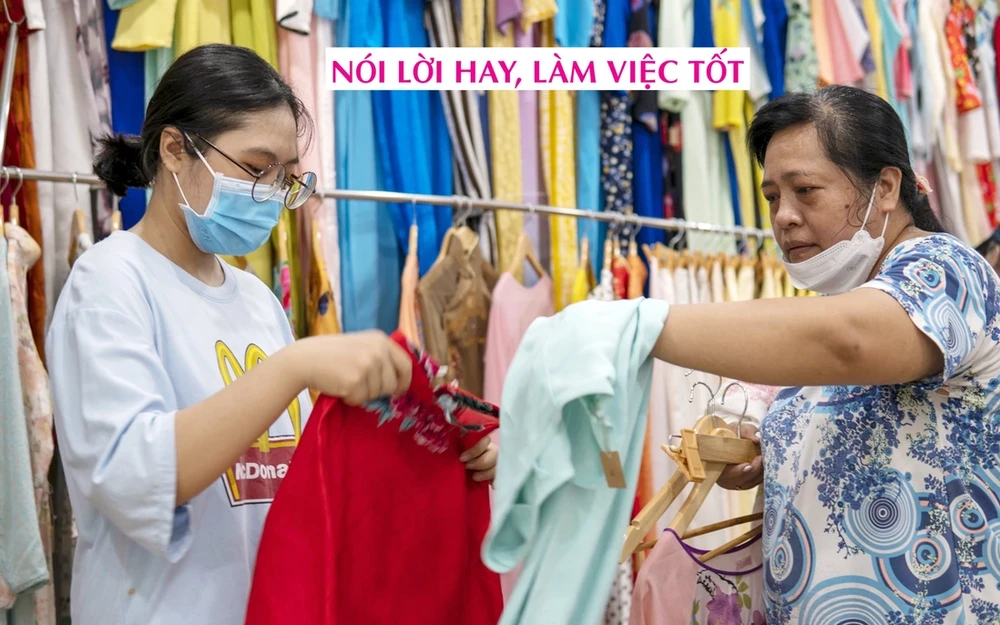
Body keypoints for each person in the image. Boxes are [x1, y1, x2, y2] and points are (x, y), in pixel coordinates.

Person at [45, 44, 497, 625]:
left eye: (284, 178)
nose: (271, 196)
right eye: (256, 169)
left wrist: (438, 444)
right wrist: (294, 367)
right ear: (176, 149)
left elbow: (306, 478)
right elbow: (137, 474)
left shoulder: (256, 300)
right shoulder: (109, 283)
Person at [650, 85, 1000, 623]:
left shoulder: (947, 271)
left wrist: (642, 325)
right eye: (771, 197)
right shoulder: (836, 305)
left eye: (805, 190)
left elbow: (849, 342)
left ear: (885, 187)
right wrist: (764, 452)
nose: (784, 216)